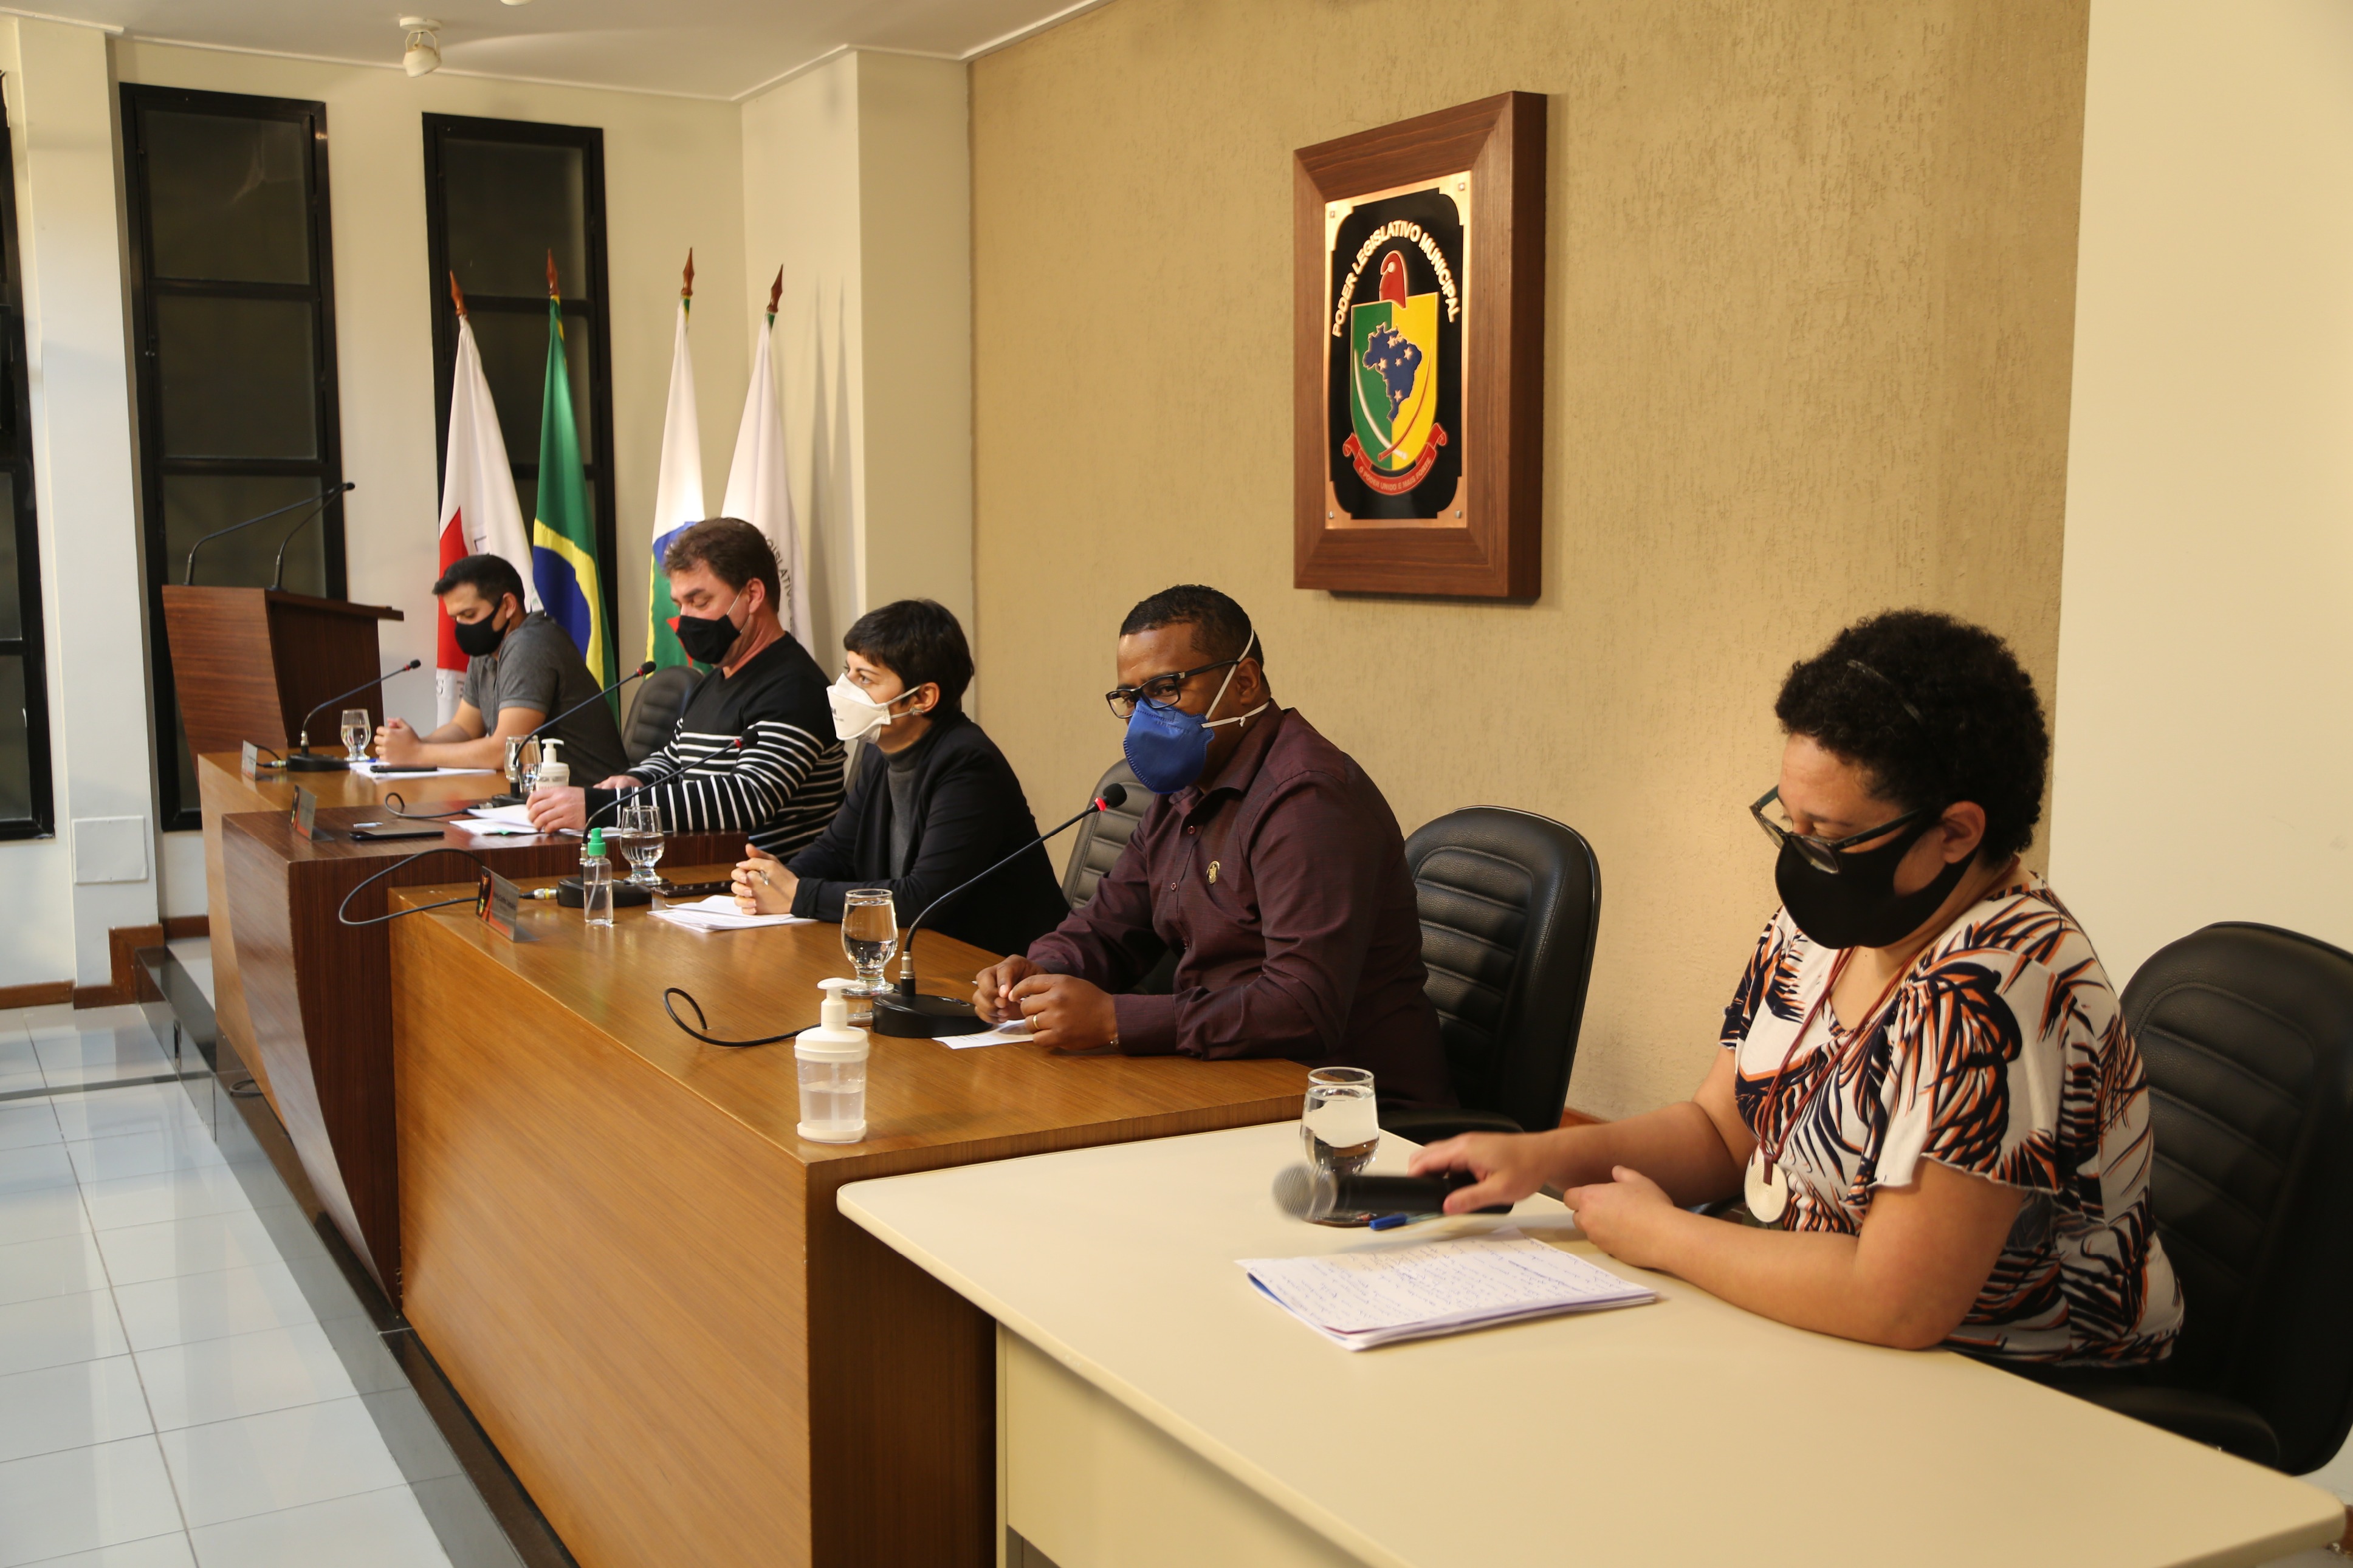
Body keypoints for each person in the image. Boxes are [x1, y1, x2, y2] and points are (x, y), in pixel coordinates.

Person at [1412, 610, 2183, 1364]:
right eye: (1791, 823)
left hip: (2006, 1384)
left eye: (1831, 835)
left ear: (1954, 832)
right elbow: (1719, 1132)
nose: (1802, 855)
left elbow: (1897, 1300)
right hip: (1819, 1324)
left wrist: (1663, 1234)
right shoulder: (1829, 925)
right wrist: (1540, 1157)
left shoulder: (1999, 989)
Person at [970, 585, 1454, 1111]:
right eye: (1131, 699)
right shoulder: (1184, 789)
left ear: (1244, 682)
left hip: (1350, 1110)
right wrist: (1039, 972)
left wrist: (1115, 1019)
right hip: (1227, 1079)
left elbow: (1301, 1007)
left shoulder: (1309, 801)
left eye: (1165, 689)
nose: (1143, 717)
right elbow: (1110, 928)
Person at [730, 599, 1069, 957]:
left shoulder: (968, 765)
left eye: (865, 678)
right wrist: (772, 880)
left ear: (922, 697)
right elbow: (836, 850)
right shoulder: (880, 750)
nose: (846, 688)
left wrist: (799, 894)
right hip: (918, 952)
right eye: (848, 672)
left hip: (995, 965)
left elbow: (924, 898)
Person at [524, 518, 843, 856]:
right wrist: (637, 779)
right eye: (680, 605)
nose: (684, 620)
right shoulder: (717, 679)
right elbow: (676, 759)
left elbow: (747, 798)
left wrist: (606, 806)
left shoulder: (795, 687)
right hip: (707, 870)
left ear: (752, 595)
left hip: (775, 880)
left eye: (700, 602)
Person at [373, 553, 625, 781]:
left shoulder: (530, 644)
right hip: (542, 795)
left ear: (508, 606)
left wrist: (418, 754)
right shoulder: (488, 648)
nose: (462, 627)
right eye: (456, 618)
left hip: (594, 799)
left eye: (469, 615)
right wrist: (412, 744)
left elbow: (506, 751)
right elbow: (464, 729)